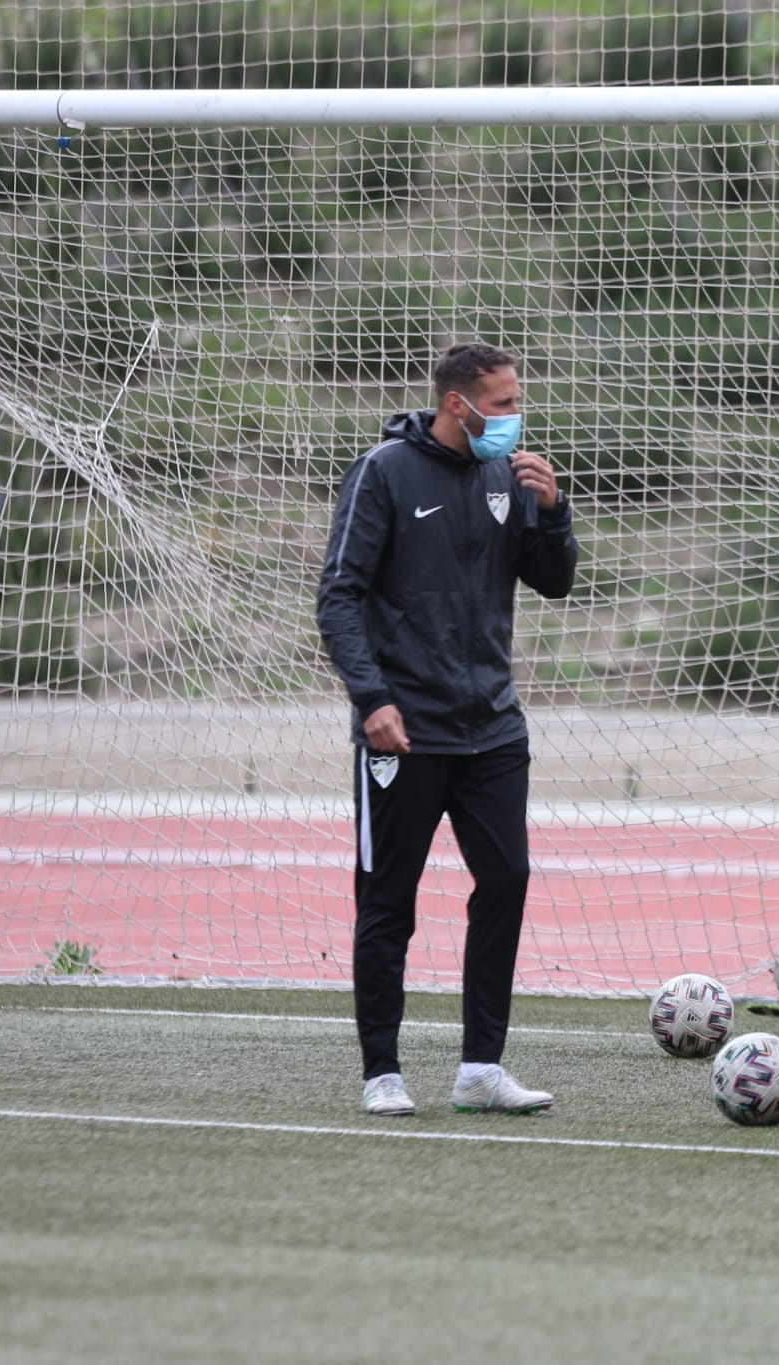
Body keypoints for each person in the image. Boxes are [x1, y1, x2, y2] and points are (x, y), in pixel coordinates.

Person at [316, 341, 578, 1118]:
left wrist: (554, 512)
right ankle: (383, 1071)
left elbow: (555, 581)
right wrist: (373, 699)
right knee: (389, 899)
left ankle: (480, 1068)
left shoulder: (509, 475)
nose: (514, 415)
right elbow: (338, 596)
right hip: (405, 730)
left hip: (492, 728)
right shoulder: (385, 472)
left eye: (515, 399)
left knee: (505, 881)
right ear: (457, 405)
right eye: (501, 402)